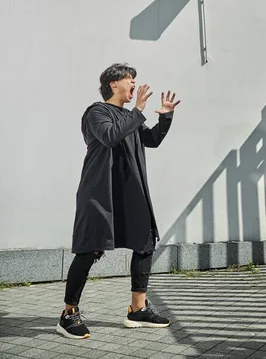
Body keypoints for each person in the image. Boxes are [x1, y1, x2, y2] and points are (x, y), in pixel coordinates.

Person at [56, 63, 180, 339]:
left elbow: (151, 140)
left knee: (145, 242)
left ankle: (138, 309)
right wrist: (137, 111)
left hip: (130, 193)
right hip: (100, 193)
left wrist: (166, 117)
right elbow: (110, 137)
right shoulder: (96, 112)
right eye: (129, 79)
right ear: (114, 84)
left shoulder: (129, 116)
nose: (135, 84)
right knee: (90, 249)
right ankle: (68, 313)